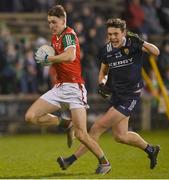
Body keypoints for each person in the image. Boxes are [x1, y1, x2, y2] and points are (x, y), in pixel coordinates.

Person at [57, 18, 160, 172]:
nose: (112, 37)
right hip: (117, 96)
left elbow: (156, 52)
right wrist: (102, 84)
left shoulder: (133, 43)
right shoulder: (106, 50)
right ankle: (151, 150)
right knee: (120, 136)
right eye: (110, 34)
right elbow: (103, 72)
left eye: (116, 34)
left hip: (130, 96)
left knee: (97, 127)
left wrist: (142, 42)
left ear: (124, 33)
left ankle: (72, 160)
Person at [25, 5, 110, 174]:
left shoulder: (69, 35)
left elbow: (70, 55)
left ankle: (104, 162)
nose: (51, 26)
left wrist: (49, 58)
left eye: (54, 22)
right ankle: (66, 123)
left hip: (74, 89)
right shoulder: (54, 37)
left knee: (81, 134)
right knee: (30, 116)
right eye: (49, 22)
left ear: (64, 21)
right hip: (60, 87)